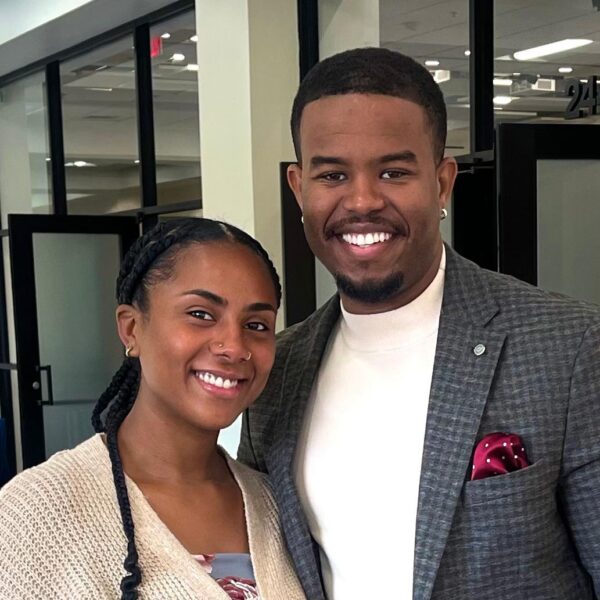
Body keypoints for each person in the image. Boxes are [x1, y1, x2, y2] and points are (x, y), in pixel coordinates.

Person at [238, 47, 600, 599]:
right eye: (332, 174)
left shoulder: (567, 347)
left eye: (393, 172)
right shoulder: (275, 373)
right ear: (299, 189)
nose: (362, 201)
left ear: (442, 182)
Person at [0, 218, 306, 600]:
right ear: (131, 328)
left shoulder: (275, 505)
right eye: (200, 314)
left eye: (257, 325)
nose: (234, 346)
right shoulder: (37, 512)